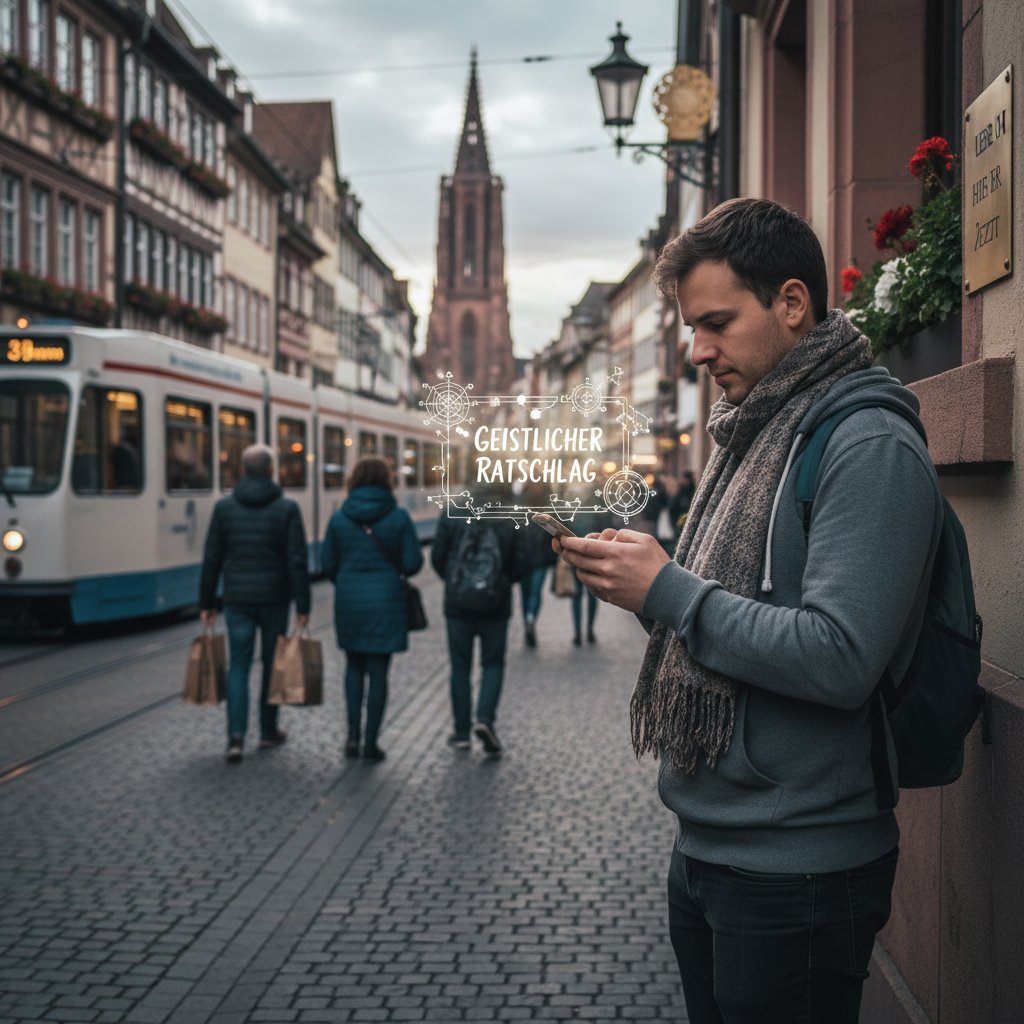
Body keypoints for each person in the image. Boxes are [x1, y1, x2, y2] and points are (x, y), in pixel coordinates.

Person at [556, 198, 942, 1024]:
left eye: (716, 324)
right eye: (691, 328)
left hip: (799, 867)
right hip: (710, 847)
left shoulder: (864, 442)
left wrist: (668, 590)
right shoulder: (749, 433)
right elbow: (722, 616)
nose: (697, 351)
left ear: (793, 304)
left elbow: (839, 657)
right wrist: (637, 581)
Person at [199, 443, 311, 762]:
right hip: (275, 599)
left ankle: (235, 737)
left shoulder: (224, 508)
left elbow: (212, 559)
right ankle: (267, 731)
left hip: (237, 599)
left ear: (243, 471)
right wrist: (303, 604)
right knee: (271, 666)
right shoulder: (287, 509)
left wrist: (206, 602)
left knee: (239, 665)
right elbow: (296, 560)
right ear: (272, 471)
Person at [320, 457, 424, 762]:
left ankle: (351, 736)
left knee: (353, 667)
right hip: (387, 602)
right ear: (386, 482)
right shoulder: (399, 517)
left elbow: (327, 563)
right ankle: (370, 743)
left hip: (350, 601)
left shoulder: (340, 518)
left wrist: (346, 579)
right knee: (379, 672)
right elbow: (413, 563)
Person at [431, 509, 524, 754]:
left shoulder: (453, 510)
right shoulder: (509, 512)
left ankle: (461, 732)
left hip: (457, 604)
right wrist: (502, 582)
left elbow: (437, 555)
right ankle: (485, 720)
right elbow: (522, 558)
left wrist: (456, 581)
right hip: (496, 603)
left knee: (460, 666)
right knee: (492, 663)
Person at [519, 517, 558, 646]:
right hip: (541, 561)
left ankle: (527, 624)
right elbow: (553, 536)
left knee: (525, 594)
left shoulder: (519, 511)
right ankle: (531, 619)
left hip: (523, 560)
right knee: (535, 593)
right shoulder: (546, 513)